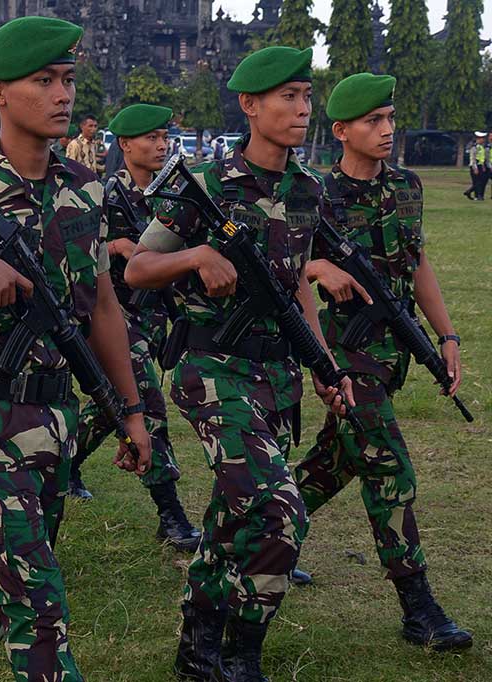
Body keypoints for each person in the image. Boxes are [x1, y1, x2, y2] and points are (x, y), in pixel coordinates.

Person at [0, 16, 151, 680]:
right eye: (43, 80)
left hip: (53, 420)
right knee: (38, 605)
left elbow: (100, 304)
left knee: (4, 576)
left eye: (68, 80)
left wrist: (128, 411)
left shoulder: (83, 185)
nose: (62, 94)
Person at [125, 46, 355, 681]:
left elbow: (298, 286)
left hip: (277, 375)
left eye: (307, 96)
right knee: (279, 508)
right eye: (288, 97)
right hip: (213, 368)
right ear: (250, 106)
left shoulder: (307, 190)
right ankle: (241, 653)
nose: (303, 109)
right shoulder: (205, 185)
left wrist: (323, 363)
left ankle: (198, 649)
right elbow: (138, 267)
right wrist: (196, 256)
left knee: (233, 519)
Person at [294, 72, 472, 652]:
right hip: (345, 358)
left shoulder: (407, 186)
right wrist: (318, 274)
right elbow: (282, 275)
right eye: (373, 121)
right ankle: (419, 607)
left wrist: (446, 336)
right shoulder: (315, 195)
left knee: (333, 464)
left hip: (391, 356)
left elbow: (417, 264)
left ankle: (259, 532)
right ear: (341, 130)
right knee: (389, 468)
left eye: (391, 118)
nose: (387, 130)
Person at [68, 103, 201, 550]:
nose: (161, 145)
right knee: (146, 403)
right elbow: (78, 250)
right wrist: (114, 243)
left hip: (160, 316)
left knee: (113, 407)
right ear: (124, 145)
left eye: (165, 136)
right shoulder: (105, 194)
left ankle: (66, 460)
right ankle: (171, 515)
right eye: (150, 138)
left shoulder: (178, 193)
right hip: (117, 317)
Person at [463, 131, 485, 200]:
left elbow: (481, 157)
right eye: (482, 138)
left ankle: (469, 192)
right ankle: (475, 194)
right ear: (478, 139)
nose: (483, 140)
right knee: (477, 182)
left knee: (480, 181)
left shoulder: (481, 147)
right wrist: (475, 168)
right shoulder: (474, 147)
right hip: (475, 166)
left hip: (480, 166)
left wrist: (483, 166)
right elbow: (473, 158)